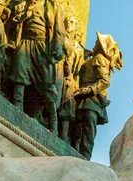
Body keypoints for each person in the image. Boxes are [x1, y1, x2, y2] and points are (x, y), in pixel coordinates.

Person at [8, 0, 65, 134]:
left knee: (48, 84)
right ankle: (17, 108)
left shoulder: (54, 7)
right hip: (25, 42)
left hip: (42, 47)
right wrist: (26, 11)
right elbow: (13, 21)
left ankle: (53, 124)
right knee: (19, 73)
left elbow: (59, 30)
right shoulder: (23, 4)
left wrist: (57, 48)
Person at [73, 32, 122, 159]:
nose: (95, 45)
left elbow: (105, 81)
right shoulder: (93, 59)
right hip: (84, 99)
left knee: (87, 131)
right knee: (80, 129)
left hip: (91, 100)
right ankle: (80, 154)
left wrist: (88, 90)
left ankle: (84, 157)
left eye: (97, 43)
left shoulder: (99, 59)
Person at [57, 11, 82, 143]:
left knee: (67, 107)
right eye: (67, 22)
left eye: (71, 22)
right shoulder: (61, 38)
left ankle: (63, 135)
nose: (68, 25)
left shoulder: (78, 48)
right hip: (57, 71)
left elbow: (77, 69)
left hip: (69, 78)